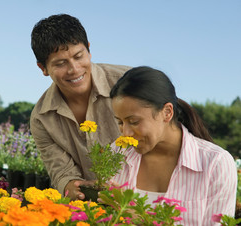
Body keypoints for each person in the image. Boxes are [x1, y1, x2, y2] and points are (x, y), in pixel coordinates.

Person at [109, 66, 237, 225]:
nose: (125, 133)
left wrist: (139, 218)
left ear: (167, 112)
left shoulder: (216, 163)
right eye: (120, 122)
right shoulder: (117, 152)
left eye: (134, 122)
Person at [29, 13, 131, 200]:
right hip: (93, 207)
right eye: (60, 63)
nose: (74, 69)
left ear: (89, 50)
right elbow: (61, 172)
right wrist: (71, 186)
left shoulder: (129, 82)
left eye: (78, 56)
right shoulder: (41, 118)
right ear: (43, 68)